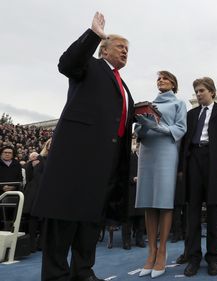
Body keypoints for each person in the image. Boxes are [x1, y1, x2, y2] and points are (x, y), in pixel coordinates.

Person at [32, 12, 134, 281]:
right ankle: (56, 275)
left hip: (105, 163)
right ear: (104, 49)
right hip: (77, 159)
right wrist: (93, 34)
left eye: (128, 49)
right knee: (63, 219)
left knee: (90, 222)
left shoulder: (122, 84)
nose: (125, 51)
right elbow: (67, 63)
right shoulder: (89, 65)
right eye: (120, 46)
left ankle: (83, 272)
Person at [133, 70, 187, 278]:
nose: (161, 81)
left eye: (165, 78)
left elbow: (180, 128)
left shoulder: (179, 103)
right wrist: (143, 126)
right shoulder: (147, 104)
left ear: (173, 83)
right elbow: (140, 132)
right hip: (147, 152)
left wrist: (159, 126)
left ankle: (162, 251)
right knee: (147, 201)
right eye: (158, 78)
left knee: (163, 201)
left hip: (167, 151)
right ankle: (151, 252)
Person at [180, 77, 217, 277]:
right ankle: (193, 257)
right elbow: (184, 142)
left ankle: (213, 257)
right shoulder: (191, 114)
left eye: (201, 90)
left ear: (211, 91)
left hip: (214, 161)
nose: (198, 94)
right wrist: (181, 168)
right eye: (196, 91)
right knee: (192, 211)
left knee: (213, 211)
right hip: (193, 159)